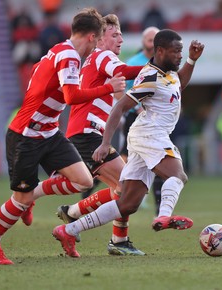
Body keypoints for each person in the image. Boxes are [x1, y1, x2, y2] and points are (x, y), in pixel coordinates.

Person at [0, 7, 126, 265]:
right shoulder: (69, 56)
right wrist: (108, 87)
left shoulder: (58, 50)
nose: (97, 49)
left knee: (83, 181)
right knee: (20, 199)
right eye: (99, 39)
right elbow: (70, 97)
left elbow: (38, 72)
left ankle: (33, 195)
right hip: (26, 135)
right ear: (92, 37)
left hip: (49, 132)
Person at [51, 29, 204, 258]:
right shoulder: (150, 77)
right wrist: (105, 143)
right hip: (150, 135)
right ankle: (163, 216)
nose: (179, 55)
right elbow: (120, 107)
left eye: (181, 52)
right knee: (177, 175)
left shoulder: (169, 73)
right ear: (160, 51)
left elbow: (179, 83)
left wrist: (192, 60)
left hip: (146, 137)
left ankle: (69, 229)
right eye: (176, 51)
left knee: (128, 203)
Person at [47, 14, 145, 256]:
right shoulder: (103, 56)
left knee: (121, 189)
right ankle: (74, 222)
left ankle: (110, 236)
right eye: (115, 34)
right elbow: (123, 70)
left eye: (121, 33)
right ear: (100, 39)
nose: (120, 39)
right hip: (87, 135)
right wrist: (157, 68)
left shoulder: (92, 60)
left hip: (85, 134)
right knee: (129, 188)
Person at [120, 26, 163, 215]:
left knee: (160, 158)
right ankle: (110, 189)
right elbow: (122, 91)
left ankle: (160, 209)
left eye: (155, 38)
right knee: (125, 158)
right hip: (134, 117)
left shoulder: (165, 63)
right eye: (149, 38)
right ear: (143, 41)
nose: (152, 42)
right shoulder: (134, 63)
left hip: (157, 120)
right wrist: (136, 107)